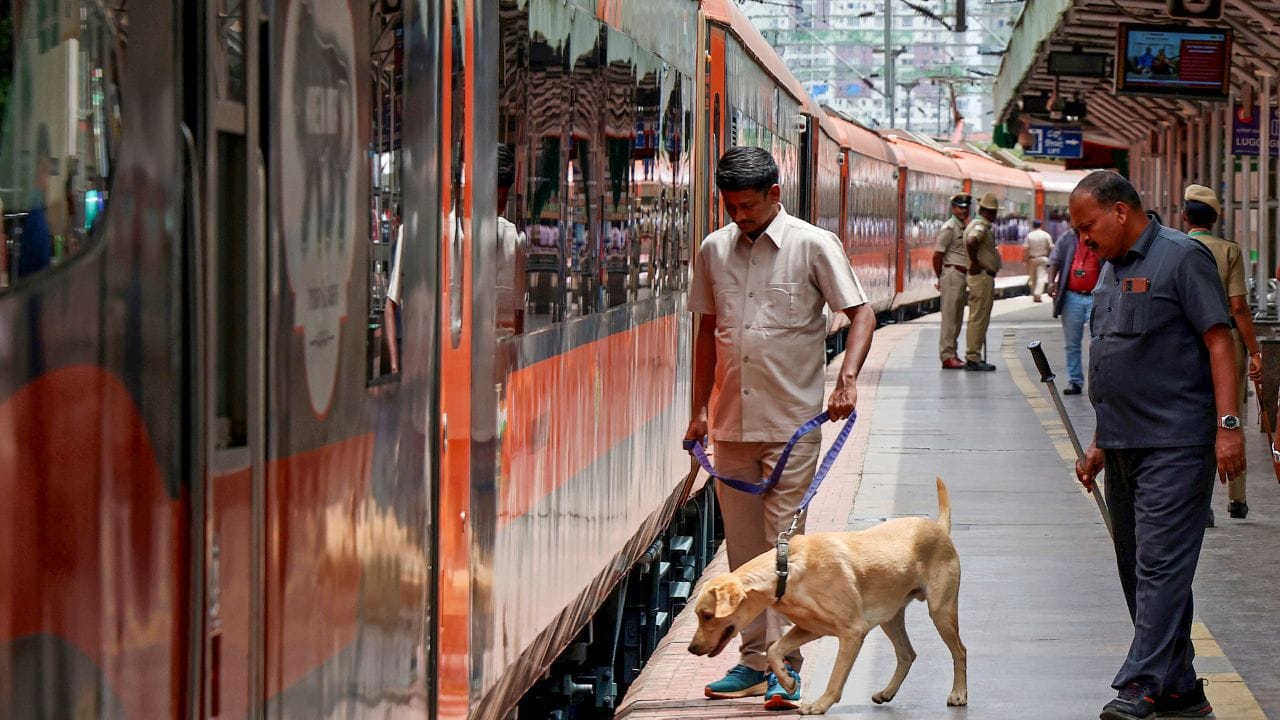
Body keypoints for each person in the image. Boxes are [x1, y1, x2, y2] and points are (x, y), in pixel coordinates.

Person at [686, 146, 875, 711]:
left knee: (783, 554)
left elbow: (860, 313)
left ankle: (783, 666)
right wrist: (698, 410)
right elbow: (706, 331)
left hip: (792, 426)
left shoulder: (813, 244)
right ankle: (749, 664)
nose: (738, 216)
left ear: (774, 195)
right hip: (730, 429)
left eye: (747, 206)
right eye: (730, 207)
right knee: (744, 557)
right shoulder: (713, 250)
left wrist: (847, 378)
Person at [1072, 171, 1242, 720]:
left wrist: (1229, 425)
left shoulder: (1181, 257)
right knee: (1136, 565)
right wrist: (1099, 442)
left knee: (1161, 566)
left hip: (1177, 442)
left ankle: (1142, 683)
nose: (1084, 241)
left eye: (1088, 226)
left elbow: (1220, 340)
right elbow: (1113, 358)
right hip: (1121, 442)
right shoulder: (1109, 270)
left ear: (1120, 211)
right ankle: (1181, 687)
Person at [1183, 184, 1262, 521]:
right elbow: (1239, 307)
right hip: (1226, 337)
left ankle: (1200, 504)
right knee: (1231, 415)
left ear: (1185, 216)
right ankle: (1237, 499)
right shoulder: (1230, 251)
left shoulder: (1176, 248)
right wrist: (1255, 351)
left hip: (1185, 338)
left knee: (1192, 416)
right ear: (1215, 219)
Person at [1047, 227, 1101, 395]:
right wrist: (1051, 282)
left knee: (1098, 342)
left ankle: (1098, 382)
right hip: (1072, 297)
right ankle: (1075, 381)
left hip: (1096, 297)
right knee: (1072, 344)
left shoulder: (1099, 233)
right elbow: (1054, 260)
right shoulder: (1066, 238)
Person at [933, 193, 972, 369]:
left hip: (961, 275)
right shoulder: (949, 228)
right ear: (953, 208)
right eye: (959, 207)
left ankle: (953, 353)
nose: (963, 210)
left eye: (965, 208)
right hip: (952, 274)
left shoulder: (963, 226)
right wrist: (939, 276)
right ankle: (947, 355)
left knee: (957, 317)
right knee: (949, 318)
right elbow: (937, 254)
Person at [963, 192, 1000, 371]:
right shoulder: (981, 225)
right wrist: (975, 262)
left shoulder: (977, 224)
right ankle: (973, 357)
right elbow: (971, 241)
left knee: (977, 317)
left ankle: (974, 355)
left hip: (982, 277)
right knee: (978, 318)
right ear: (990, 212)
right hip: (982, 278)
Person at [1024, 219, 1054, 302]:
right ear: (1041, 225)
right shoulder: (1045, 235)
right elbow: (1051, 247)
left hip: (1032, 258)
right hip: (1043, 258)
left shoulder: (1029, 235)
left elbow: (1026, 248)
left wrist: (1026, 260)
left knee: (1033, 277)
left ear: (1033, 226)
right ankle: (1038, 293)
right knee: (1041, 277)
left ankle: (1034, 293)